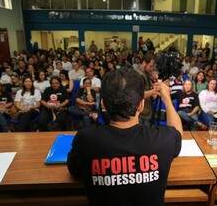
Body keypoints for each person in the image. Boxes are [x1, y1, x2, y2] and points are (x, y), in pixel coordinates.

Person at [67, 67, 182, 206]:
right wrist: (167, 99)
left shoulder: (85, 139)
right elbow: (177, 133)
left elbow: (74, 171)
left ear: (103, 104)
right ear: (141, 105)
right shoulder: (162, 139)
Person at [136, 53, 158, 126]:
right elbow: (140, 94)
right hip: (140, 114)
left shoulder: (145, 73)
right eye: (150, 66)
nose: (151, 69)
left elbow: (148, 87)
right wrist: (155, 90)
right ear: (144, 62)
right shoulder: (138, 75)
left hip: (147, 110)